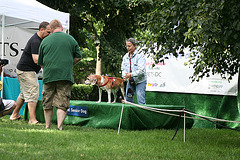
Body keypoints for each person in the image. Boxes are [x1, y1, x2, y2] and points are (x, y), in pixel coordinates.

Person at [38, 19, 82, 130]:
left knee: (47, 100)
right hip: (65, 75)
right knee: (62, 101)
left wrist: (49, 68)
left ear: (51, 30)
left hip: (49, 75)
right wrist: (68, 64)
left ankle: (47, 126)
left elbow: (40, 62)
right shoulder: (70, 39)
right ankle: (59, 126)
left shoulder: (45, 41)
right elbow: (78, 56)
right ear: (61, 28)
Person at [10, 22, 51, 124]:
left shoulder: (40, 40)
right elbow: (36, 60)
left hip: (23, 70)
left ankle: (14, 115)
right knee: (33, 91)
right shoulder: (36, 41)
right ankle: (32, 119)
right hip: (26, 70)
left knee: (24, 94)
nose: (49, 34)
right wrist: (48, 66)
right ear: (41, 29)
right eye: (48, 32)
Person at [121, 38, 147, 104]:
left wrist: (131, 75)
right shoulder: (125, 57)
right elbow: (123, 69)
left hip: (140, 81)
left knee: (140, 100)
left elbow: (142, 71)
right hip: (130, 82)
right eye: (126, 46)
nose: (127, 48)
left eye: (129, 46)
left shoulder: (140, 56)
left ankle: (142, 114)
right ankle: (129, 114)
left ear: (135, 46)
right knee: (128, 100)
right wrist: (125, 75)